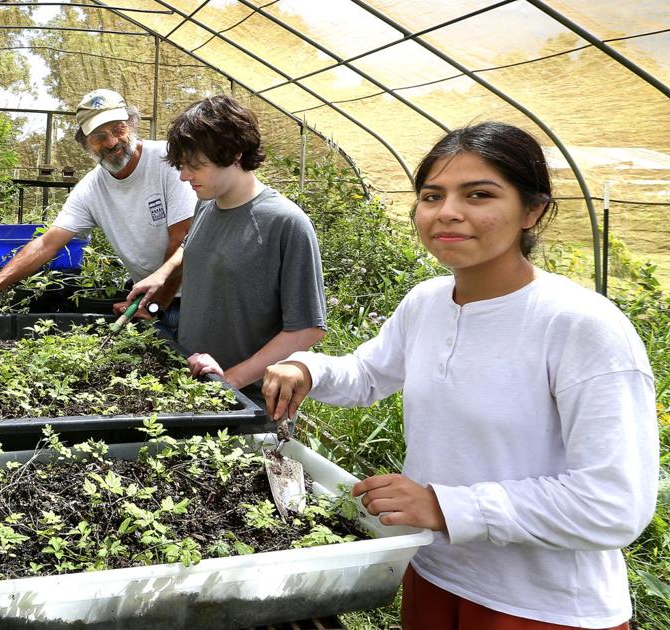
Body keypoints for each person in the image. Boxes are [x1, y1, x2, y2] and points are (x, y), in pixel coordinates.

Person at [262, 122, 657, 629]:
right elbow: (368, 374)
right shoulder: (427, 302)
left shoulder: (580, 325)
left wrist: (443, 505)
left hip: (541, 606)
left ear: (532, 210)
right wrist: (307, 367)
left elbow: (613, 504)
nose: (447, 212)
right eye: (432, 195)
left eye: (479, 194)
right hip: (433, 570)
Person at [126, 95, 326, 406]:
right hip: (194, 385)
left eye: (195, 165)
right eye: (182, 165)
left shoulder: (285, 223)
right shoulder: (206, 204)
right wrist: (162, 275)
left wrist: (231, 378)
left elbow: (307, 329)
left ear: (234, 153)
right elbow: (194, 245)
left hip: (248, 404)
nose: (183, 176)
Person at [0, 89, 195, 324]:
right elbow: (47, 244)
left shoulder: (167, 159)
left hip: (199, 296)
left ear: (131, 125)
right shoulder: (92, 188)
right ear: (85, 144)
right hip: (151, 300)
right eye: (99, 136)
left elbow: (184, 238)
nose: (111, 142)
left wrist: (157, 305)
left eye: (118, 129)